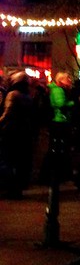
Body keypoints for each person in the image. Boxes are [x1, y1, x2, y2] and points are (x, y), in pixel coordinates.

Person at [0, 71, 36, 199]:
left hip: (11, 130)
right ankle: (17, 188)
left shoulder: (12, 94)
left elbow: (7, 113)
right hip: (25, 131)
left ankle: (10, 187)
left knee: (8, 159)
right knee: (20, 161)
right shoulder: (28, 94)